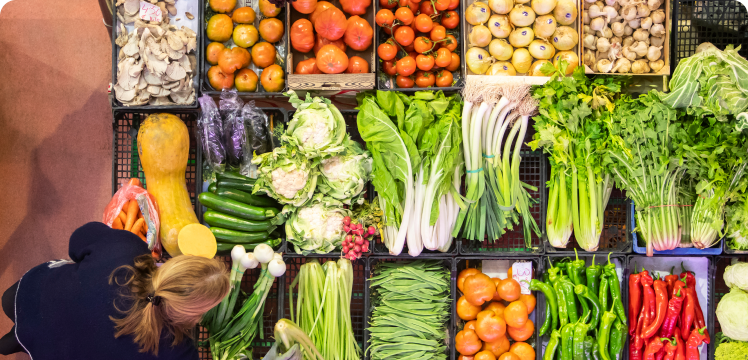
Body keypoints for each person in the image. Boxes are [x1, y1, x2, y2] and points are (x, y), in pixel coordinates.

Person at [0, 222, 230, 359]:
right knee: (35, 340)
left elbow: (77, 241)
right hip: (52, 353)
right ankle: (13, 342)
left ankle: (18, 336)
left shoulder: (126, 249)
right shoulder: (179, 351)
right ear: (193, 313)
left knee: (32, 321)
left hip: (27, 295)